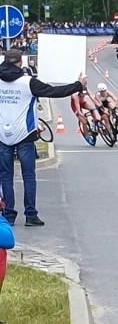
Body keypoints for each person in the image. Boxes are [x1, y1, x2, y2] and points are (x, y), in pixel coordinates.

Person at [0, 49, 86, 226]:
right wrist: (78, 85)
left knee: (5, 176)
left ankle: (9, 214)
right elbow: (54, 91)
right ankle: (30, 215)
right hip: (25, 135)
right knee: (28, 176)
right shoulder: (28, 82)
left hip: (2, 135)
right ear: (20, 63)